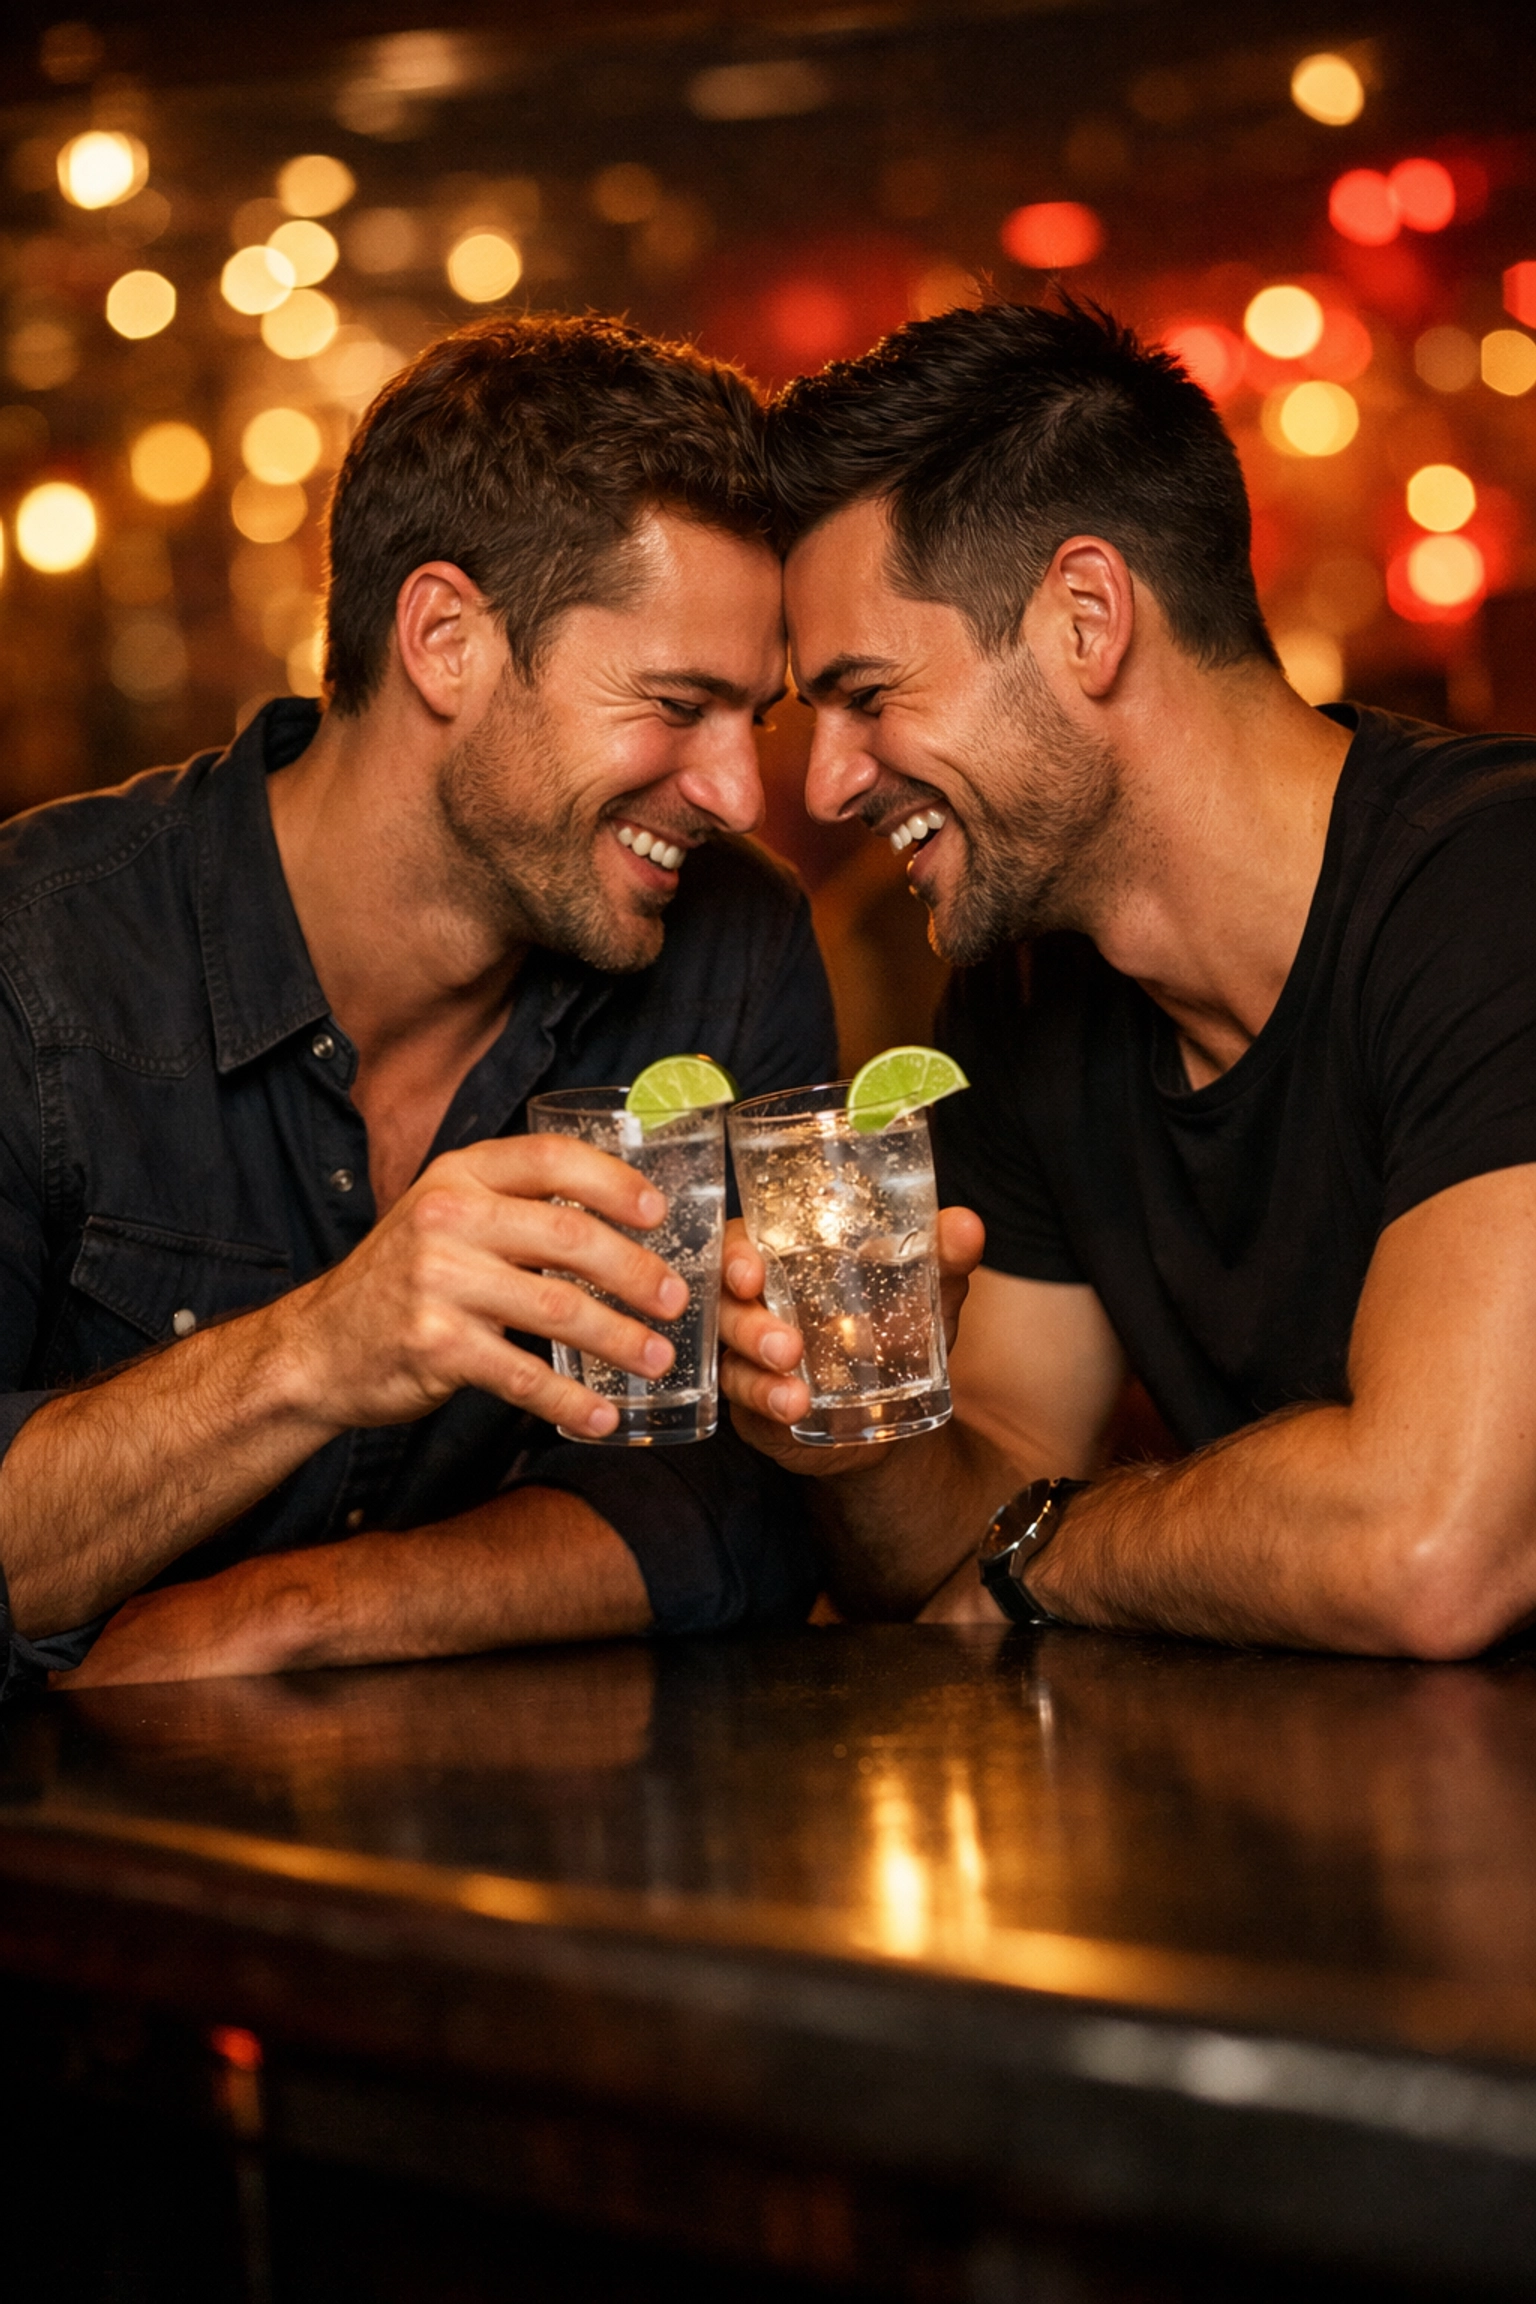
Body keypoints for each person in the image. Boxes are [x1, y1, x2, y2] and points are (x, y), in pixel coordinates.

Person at [0, 313, 835, 1699]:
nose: (743, 793)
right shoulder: (38, 963)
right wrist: (321, 1352)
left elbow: (744, 1507)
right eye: (679, 704)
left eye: (758, 716)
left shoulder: (734, 947)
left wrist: (312, 1606)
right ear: (446, 639)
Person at [720, 297, 1536, 1660]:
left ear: (1087, 618)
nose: (826, 781)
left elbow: (1432, 1546)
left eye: (868, 694)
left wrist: (1060, 1537)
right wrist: (846, 1432)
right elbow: (968, 1535)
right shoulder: (1029, 994)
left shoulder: (1496, 890)